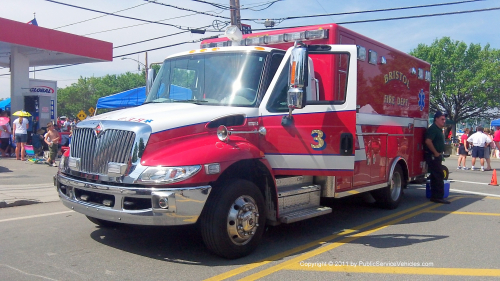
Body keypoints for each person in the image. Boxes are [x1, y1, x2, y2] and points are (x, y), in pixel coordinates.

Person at [425, 111, 450, 204]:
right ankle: (437, 197)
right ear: (436, 119)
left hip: (437, 155)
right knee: (438, 175)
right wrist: (435, 153)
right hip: (432, 156)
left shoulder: (438, 129)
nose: (444, 121)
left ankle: (435, 196)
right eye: (442, 119)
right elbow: (428, 141)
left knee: (435, 176)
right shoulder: (433, 129)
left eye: (444, 119)